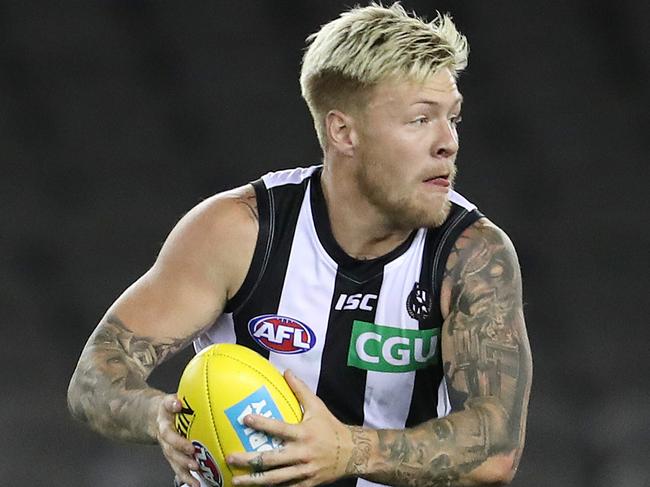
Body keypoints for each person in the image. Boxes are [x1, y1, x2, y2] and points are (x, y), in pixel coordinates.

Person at [67, 3, 532, 487]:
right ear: (343, 131)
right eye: (420, 120)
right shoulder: (239, 231)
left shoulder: (469, 255)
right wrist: (158, 417)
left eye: (452, 118)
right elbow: (93, 380)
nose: (448, 142)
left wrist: (346, 452)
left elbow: (495, 451)